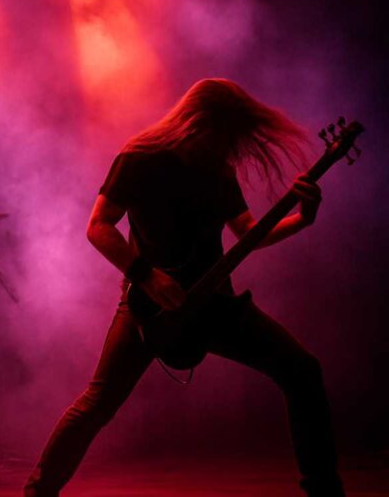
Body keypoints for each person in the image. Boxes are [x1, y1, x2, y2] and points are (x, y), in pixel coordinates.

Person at [24, 78, 343, 497]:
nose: (227, 149)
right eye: (223, 136)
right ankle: (37, 492)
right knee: (98, 402)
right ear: (199, 123)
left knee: (302, 370)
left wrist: (303, 219)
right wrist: (147, 275)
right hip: (148, 305)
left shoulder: (218, 169)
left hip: (213, 303)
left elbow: (249, 232)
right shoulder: (138, 158)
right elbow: (98, 226)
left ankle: (324, 490)